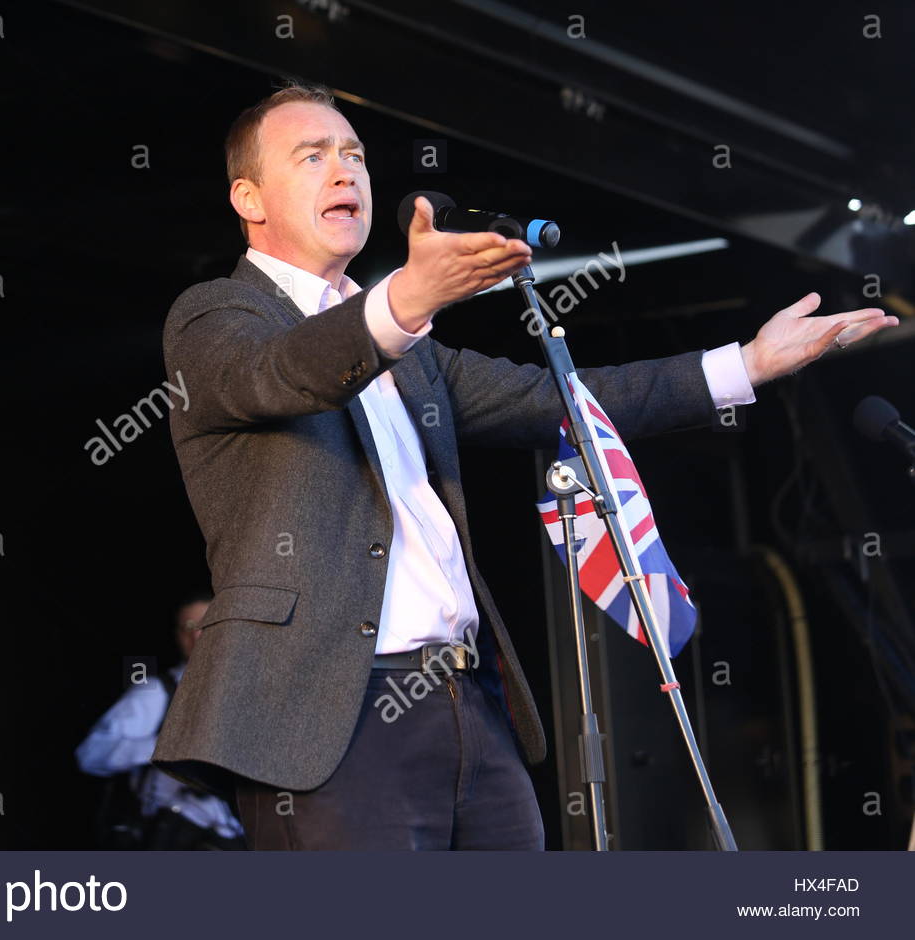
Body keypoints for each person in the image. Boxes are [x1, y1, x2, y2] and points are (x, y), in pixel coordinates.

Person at [152, 81, 897, 850]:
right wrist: (407, 298)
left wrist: (745, 364)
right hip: (327, 713)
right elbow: (283, 373)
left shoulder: (412, 355)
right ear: (249, 197)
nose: (345, 171)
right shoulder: (217, 315)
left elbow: (563, 401)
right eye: (313, 157)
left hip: (466, 700)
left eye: (354, 155)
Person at [76, 594, 245, 849]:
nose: (197, 635)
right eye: (189, 627)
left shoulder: (253, 693)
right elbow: (91, 754)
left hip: (239, 841)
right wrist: (168, 745)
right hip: (173, 839)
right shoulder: (157, 692)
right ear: (179, 636)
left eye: (207, 624)